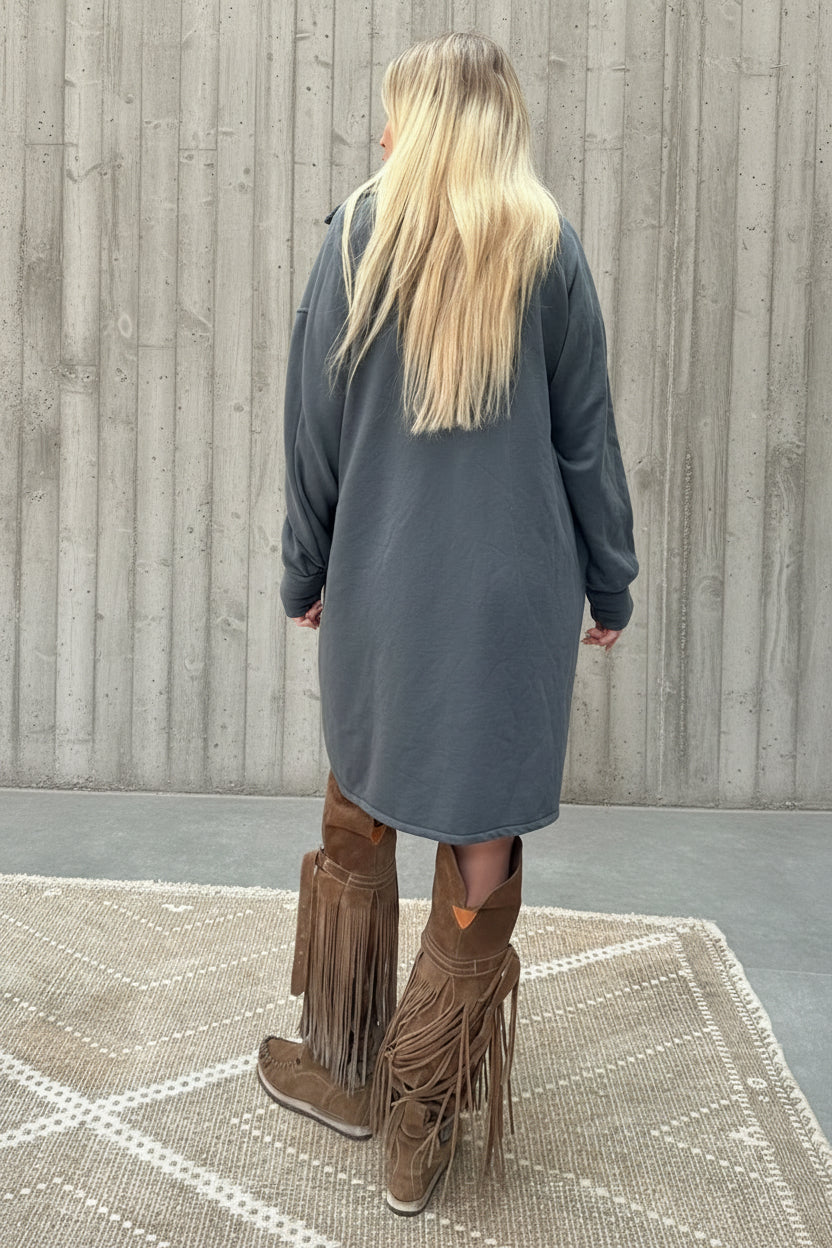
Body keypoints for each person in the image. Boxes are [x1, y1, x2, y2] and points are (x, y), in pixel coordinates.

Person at [257, 30, 638, 1216]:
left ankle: (347, 1067)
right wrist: (610, 582)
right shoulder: (547, 245)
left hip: (381, 582)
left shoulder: (358, 236)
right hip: (514, 598)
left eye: (394, 113)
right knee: (482, 840)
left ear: (415, 124)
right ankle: (420, 1117)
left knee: (359, 794)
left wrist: (304, 569)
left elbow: (314, 432)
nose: (381, 133)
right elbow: (586, 439)